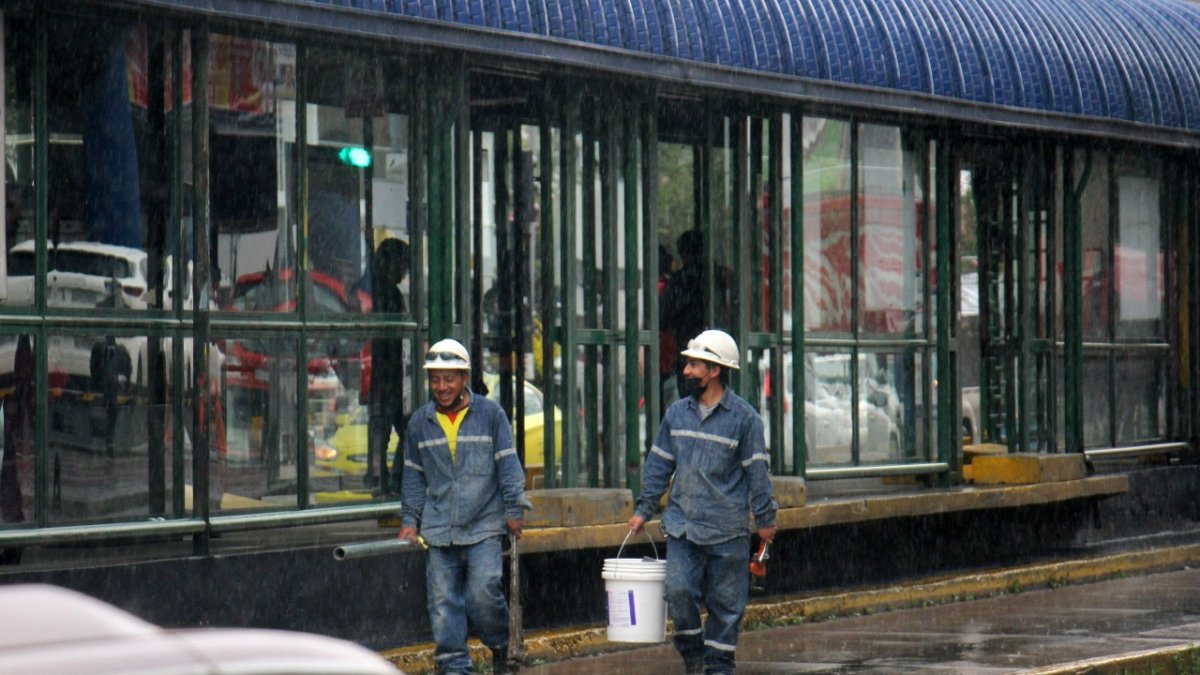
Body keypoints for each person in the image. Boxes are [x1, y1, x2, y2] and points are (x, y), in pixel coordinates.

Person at [628, 329, 777, 675]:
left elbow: (757, 473)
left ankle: (719, 665)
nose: (686, 371)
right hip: (683, 527)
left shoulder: (745, 420)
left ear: (715, 370)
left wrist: (765, 519)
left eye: (694, 365)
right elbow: (659, 466)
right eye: (687, 364)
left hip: (727, 530)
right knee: (678, 592)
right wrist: (643, 510)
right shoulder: (676, 415)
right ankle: (694, 655)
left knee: (726, 606)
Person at [399, 338, 529, 675]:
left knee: (483, 594)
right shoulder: (420, 423)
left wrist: (514, 509)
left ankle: (502, 648)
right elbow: (413, 476)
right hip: (439, 528)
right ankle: (455, 667)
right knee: (443, 605)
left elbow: (508, 464)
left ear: (464, 378)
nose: (442, 387)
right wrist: (409, 520)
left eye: (449, 379)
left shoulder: (490, 415)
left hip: (484, 525)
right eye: (435, 379)